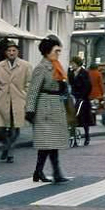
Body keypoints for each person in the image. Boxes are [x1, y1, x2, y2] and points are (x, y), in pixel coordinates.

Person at [25, 35, 69, 183]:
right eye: (56, 51)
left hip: (55, 107)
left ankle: (39, 172)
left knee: (49, 143)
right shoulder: (41, 68)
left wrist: (62, 87)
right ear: (47, 51)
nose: (58, 54)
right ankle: (55, 173)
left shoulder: (56, 66)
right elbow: (33, 90)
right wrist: (30, 110)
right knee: (49, 143)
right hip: (45, 109)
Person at [0, 40, 32, 163]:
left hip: (19, 100)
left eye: (14, 50)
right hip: (2, 101)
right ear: (5, 53)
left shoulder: (26, 66)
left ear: (18, 52)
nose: (11, 53)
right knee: (0, 129)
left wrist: (26, 97)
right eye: (9, 51)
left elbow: (29, 84)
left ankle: (9, 152)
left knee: (14, 128)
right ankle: (7, 146)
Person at [68, 56, 92, 145]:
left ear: (77, 64)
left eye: (73, 64)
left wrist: (83, 96)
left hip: (83, 98)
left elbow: (88, 86)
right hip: (74, 97)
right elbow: (70, 84)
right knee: (73, 117)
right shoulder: (70, 73)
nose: (72, 65)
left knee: (84, 119)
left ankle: (87, 136)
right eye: (71, 64)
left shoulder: (84, 73)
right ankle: (72, 135)